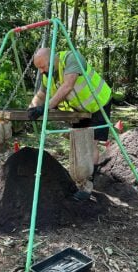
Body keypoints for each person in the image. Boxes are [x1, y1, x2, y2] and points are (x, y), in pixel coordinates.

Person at [27, 48, 112, 200]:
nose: (41, 71)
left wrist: (44, 108)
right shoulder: (48, 75)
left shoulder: (72, 58)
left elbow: (68, 85)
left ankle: (87, 186)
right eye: (38, 68)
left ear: (52, 58)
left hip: (99, 104)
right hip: (80, 109)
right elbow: (41, 94)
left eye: (42, 67)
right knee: (78, 142)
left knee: (91, 143)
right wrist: (32, 107)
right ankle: (80, 176)